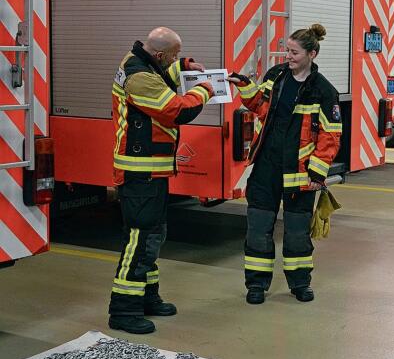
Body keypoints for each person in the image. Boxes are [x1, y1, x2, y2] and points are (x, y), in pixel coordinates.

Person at [109, 27, 213, 334]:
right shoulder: (139, 76)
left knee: (152, 236)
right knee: (140, 240)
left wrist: (185, 66)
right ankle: (124, 310)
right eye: (175, 55)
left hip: (150, 170)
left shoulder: (142, 62)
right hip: (139, 171)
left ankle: (147, 298)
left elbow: (162, 73)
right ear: (159, 54)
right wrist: (204, 90)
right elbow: (175, 110)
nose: (177, 59)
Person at [228, 24, 341, 305]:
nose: (287, 57)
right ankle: (256, 285)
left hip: (300, 173)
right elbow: (261, 106)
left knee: (297, 233)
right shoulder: (276, 76)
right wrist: (244, 85)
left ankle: (300, 283)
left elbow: (330, 136)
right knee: (258, 228)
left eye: (294, 52)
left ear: (311, 54)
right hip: (266, 166)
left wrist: (317, 172)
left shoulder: (324, 91)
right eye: (286, 50)